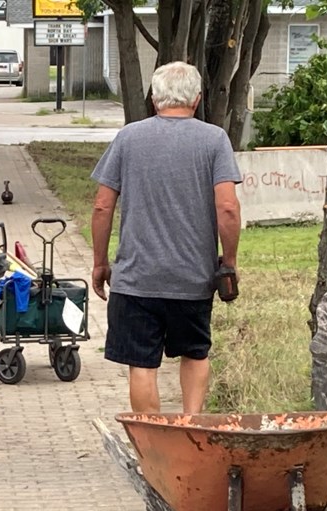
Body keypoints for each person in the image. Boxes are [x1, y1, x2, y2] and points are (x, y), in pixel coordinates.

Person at [89, 61, 242, 414]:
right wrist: (228, 263)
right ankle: (191, 429)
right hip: (193, 278)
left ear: (155, 98)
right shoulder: (214, 140)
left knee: (142, 365)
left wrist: (100, 262)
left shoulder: (128, 137)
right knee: (195, 353)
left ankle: (153, 445)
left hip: (136, 279)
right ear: (197, 99)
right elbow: (228, 209)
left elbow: (101, 206)